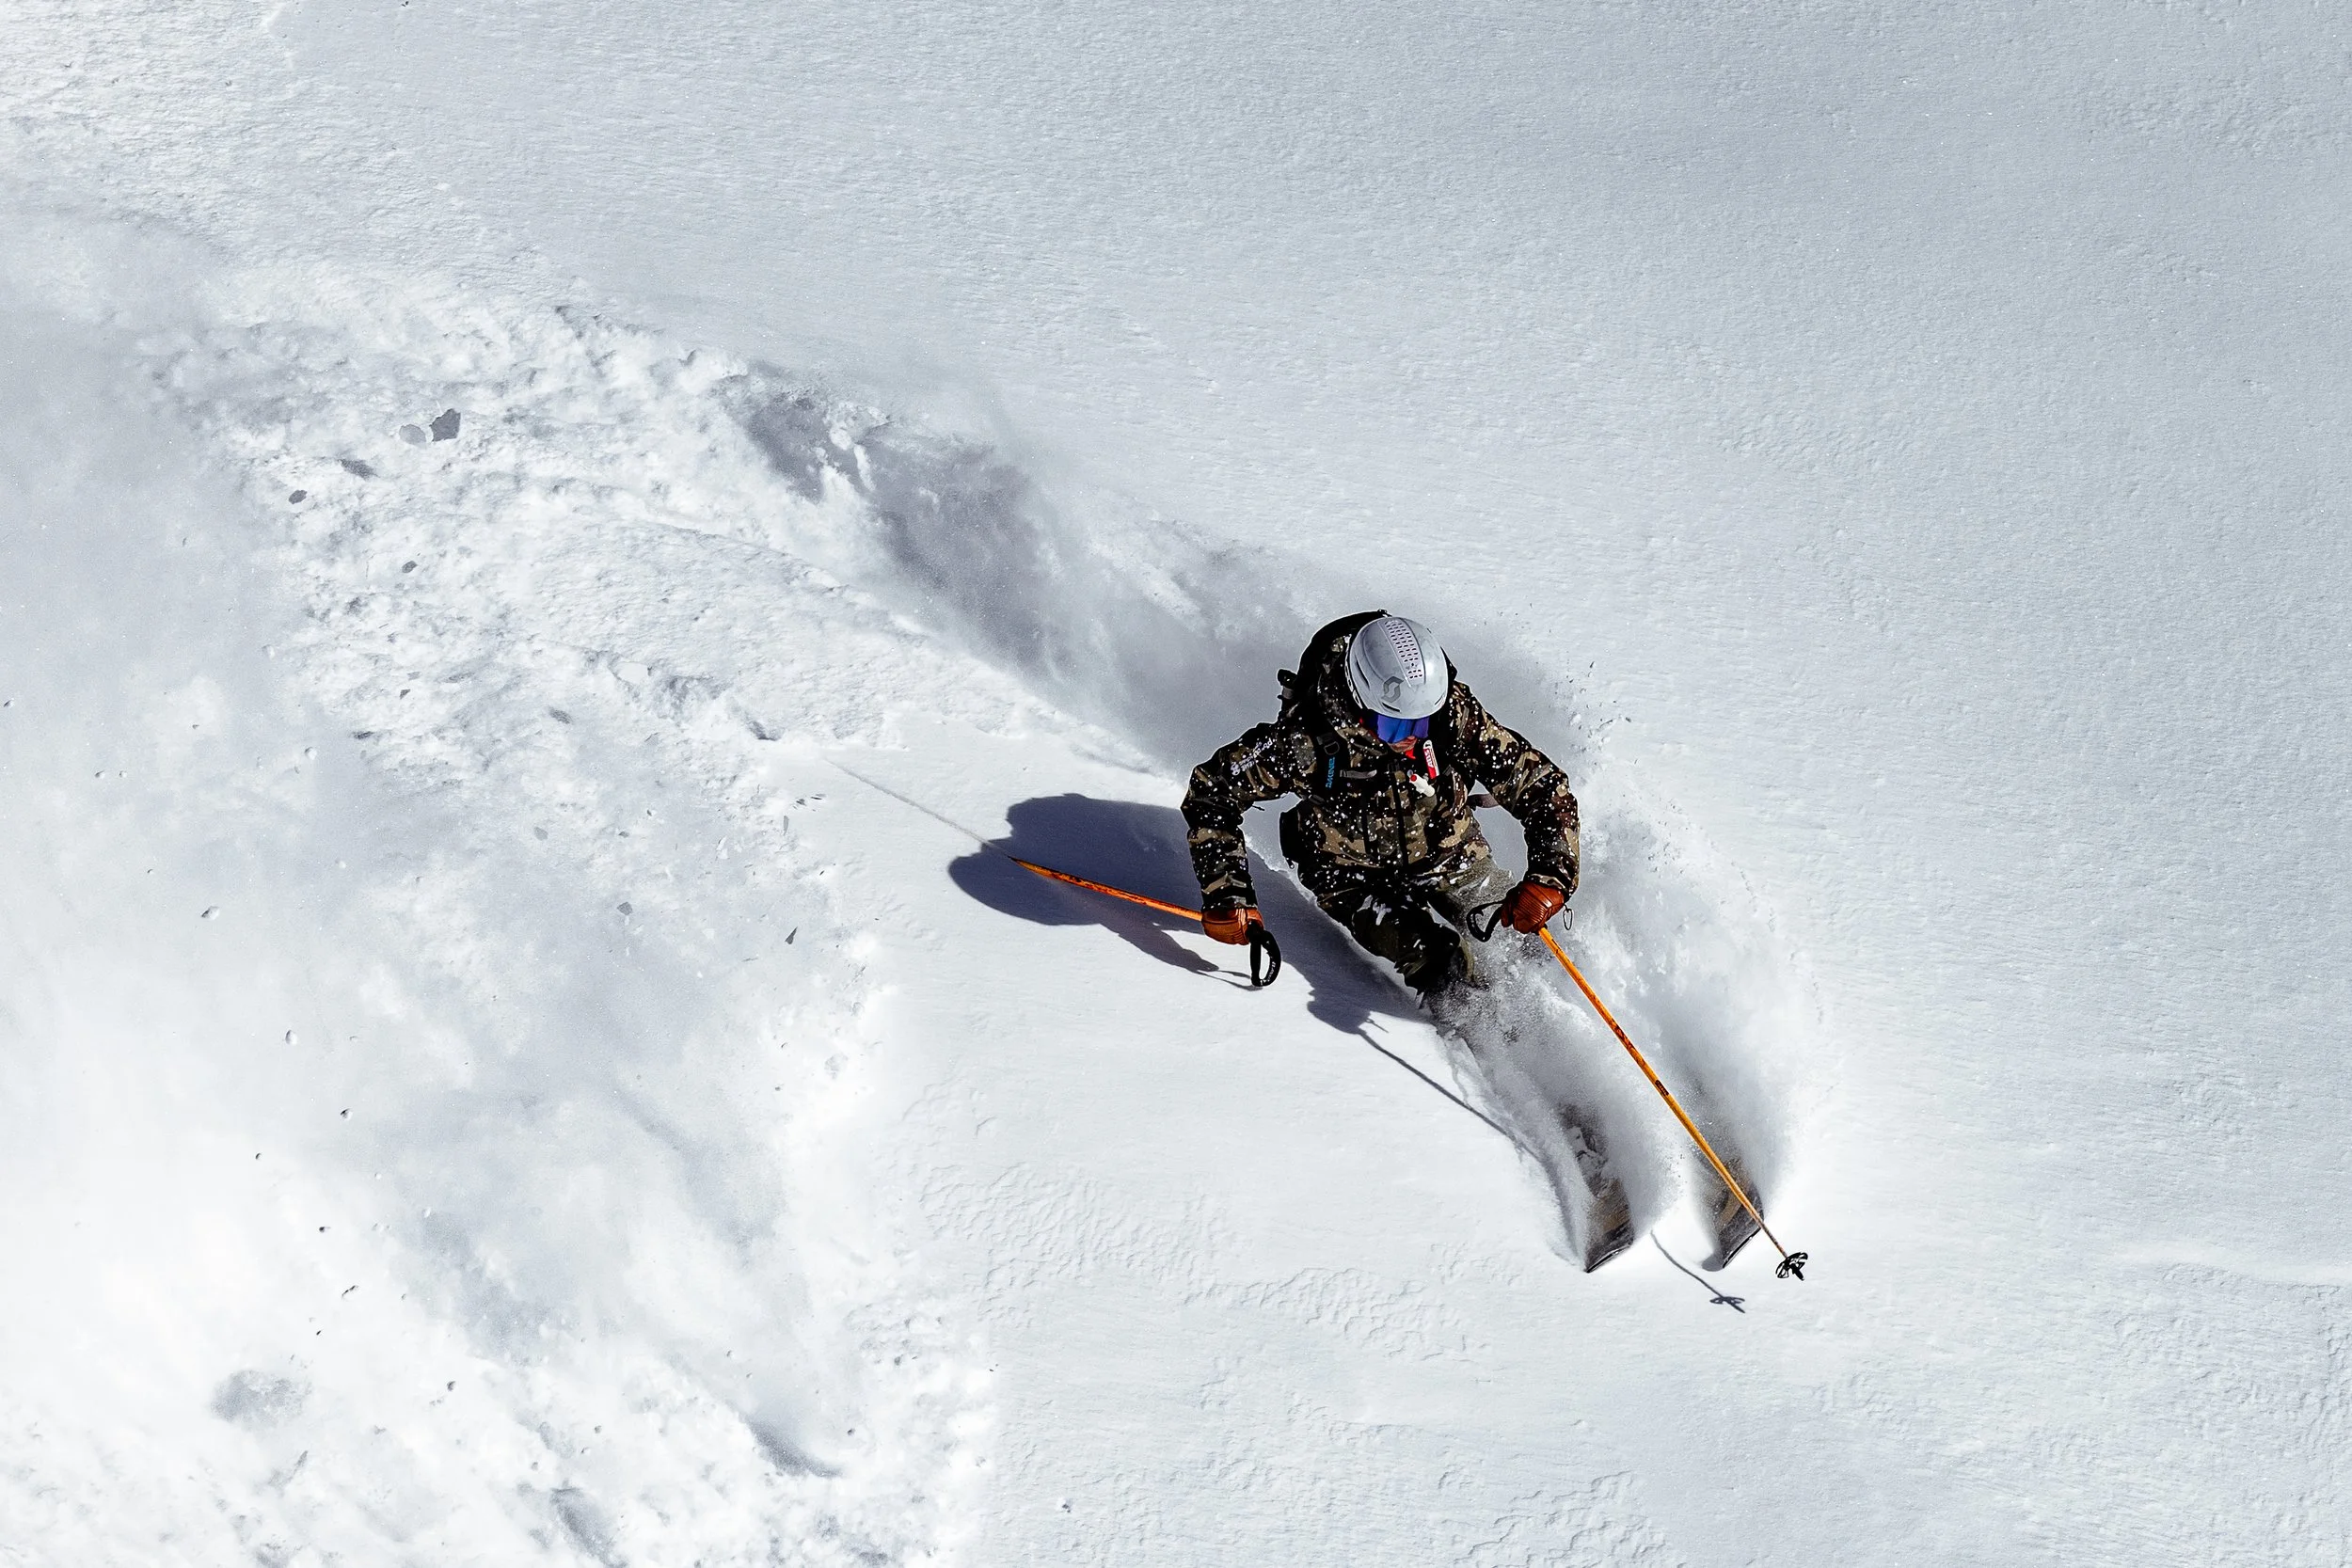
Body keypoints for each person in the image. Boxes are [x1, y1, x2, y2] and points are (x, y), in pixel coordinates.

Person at [1181, 611, 1580, 999]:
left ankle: (1558, 1031)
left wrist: (1550, 876)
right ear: (1360, 703)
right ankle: (1484, 1049)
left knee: (1524, 946)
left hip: (1449, 850)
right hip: (1352, 876)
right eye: (1397, 726)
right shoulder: (1303, 741)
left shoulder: (1448, 713)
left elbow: (1539, 784)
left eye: (1422, 723)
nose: (1412, 736)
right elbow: (1212, 793)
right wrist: (1227, 894)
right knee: (1438, 965)